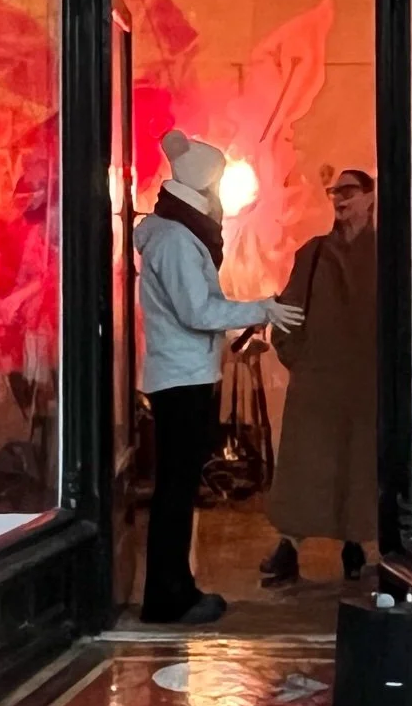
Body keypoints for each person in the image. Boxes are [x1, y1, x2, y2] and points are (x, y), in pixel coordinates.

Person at [134, 130, 302, 624]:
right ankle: (167, 597)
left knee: (178, 489)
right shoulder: (179, 240)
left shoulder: (172, 235)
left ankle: (176, 589)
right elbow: (197, 309)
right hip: (181, 379)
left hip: (181, 374)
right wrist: (261, 308)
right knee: (176, 490)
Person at [262, 170, 380, 585]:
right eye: (335, 192)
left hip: (366, 381)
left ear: (370, 197)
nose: (340, 199)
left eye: (349, 191)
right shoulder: (312, 253)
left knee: (359, 466)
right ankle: (289, 545)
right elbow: (290, 309)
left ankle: (356, 543)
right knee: (307, 465)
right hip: (318, 378)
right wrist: (296, 355)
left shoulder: (387, 253)